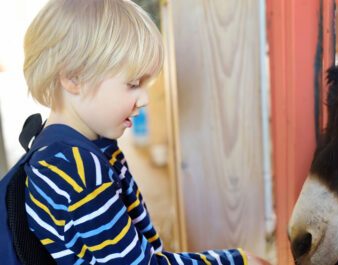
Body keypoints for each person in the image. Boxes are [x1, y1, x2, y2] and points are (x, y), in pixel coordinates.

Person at [22, 0, 268, 264]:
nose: (144, 99)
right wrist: (236, 260)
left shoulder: (66, 148)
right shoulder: (78, 171)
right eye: (133, 84)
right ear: (74, 78)